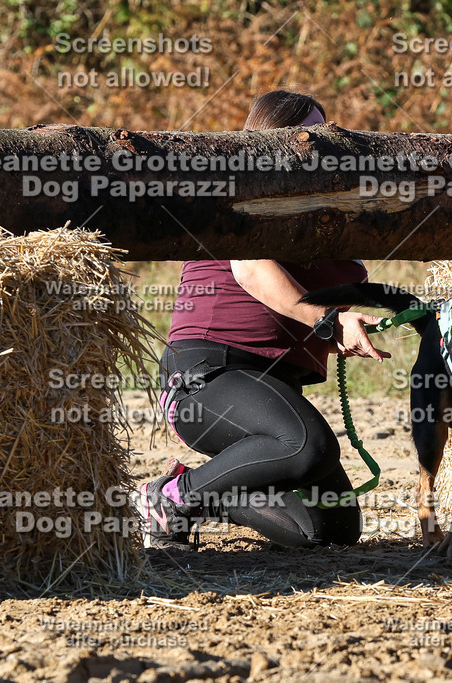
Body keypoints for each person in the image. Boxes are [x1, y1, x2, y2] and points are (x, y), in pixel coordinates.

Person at [136, 89, 389, 550]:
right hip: (209, 376)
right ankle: (171, 499)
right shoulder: (238, 185)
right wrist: (331, 323)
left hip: (271, 387)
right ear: (269, 137)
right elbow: (250, 271)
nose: (317, 144)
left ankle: (205, 492)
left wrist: (347, 331)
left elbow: (303, 307)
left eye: (324, 135)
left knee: (332, 531)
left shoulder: (321, 210)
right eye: (305, 134)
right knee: (309, 446)